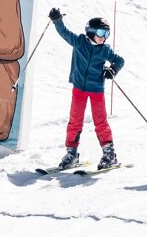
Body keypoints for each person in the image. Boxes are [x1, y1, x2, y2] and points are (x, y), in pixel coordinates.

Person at [49, 9, 125, 170]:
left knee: (100, 122)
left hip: (97, 90)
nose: (103, 37)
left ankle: (109, 154)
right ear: (90, 32)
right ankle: (71, 154)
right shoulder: (80, 42)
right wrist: (57, 21)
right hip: (79, 90)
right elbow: (65, 33)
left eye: (106, 34)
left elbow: (119, 60)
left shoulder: (104, 50)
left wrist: (112, 69)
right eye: (100, 32)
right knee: (74, 122)